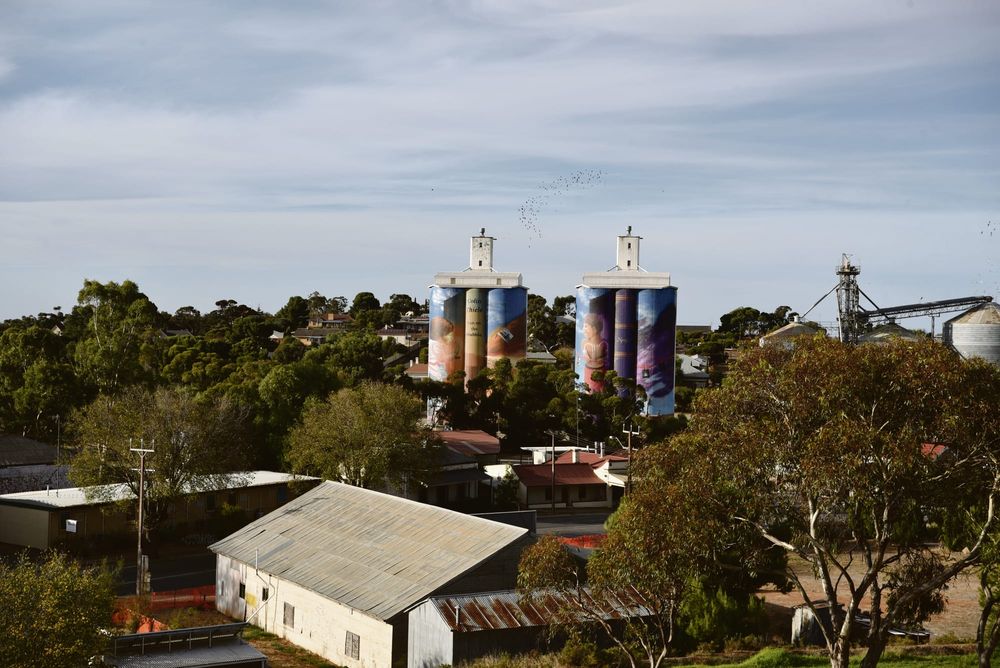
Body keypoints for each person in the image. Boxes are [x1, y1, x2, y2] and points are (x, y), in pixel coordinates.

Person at [582, 313, 607, 388]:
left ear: (594, 329)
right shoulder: (584, 343)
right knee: (588, 389)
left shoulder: (604, 343)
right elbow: (585, 357)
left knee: (600, 389)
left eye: (586, 326)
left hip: (601, 371)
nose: (583, 329)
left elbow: (605, 357)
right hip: (588, 371)